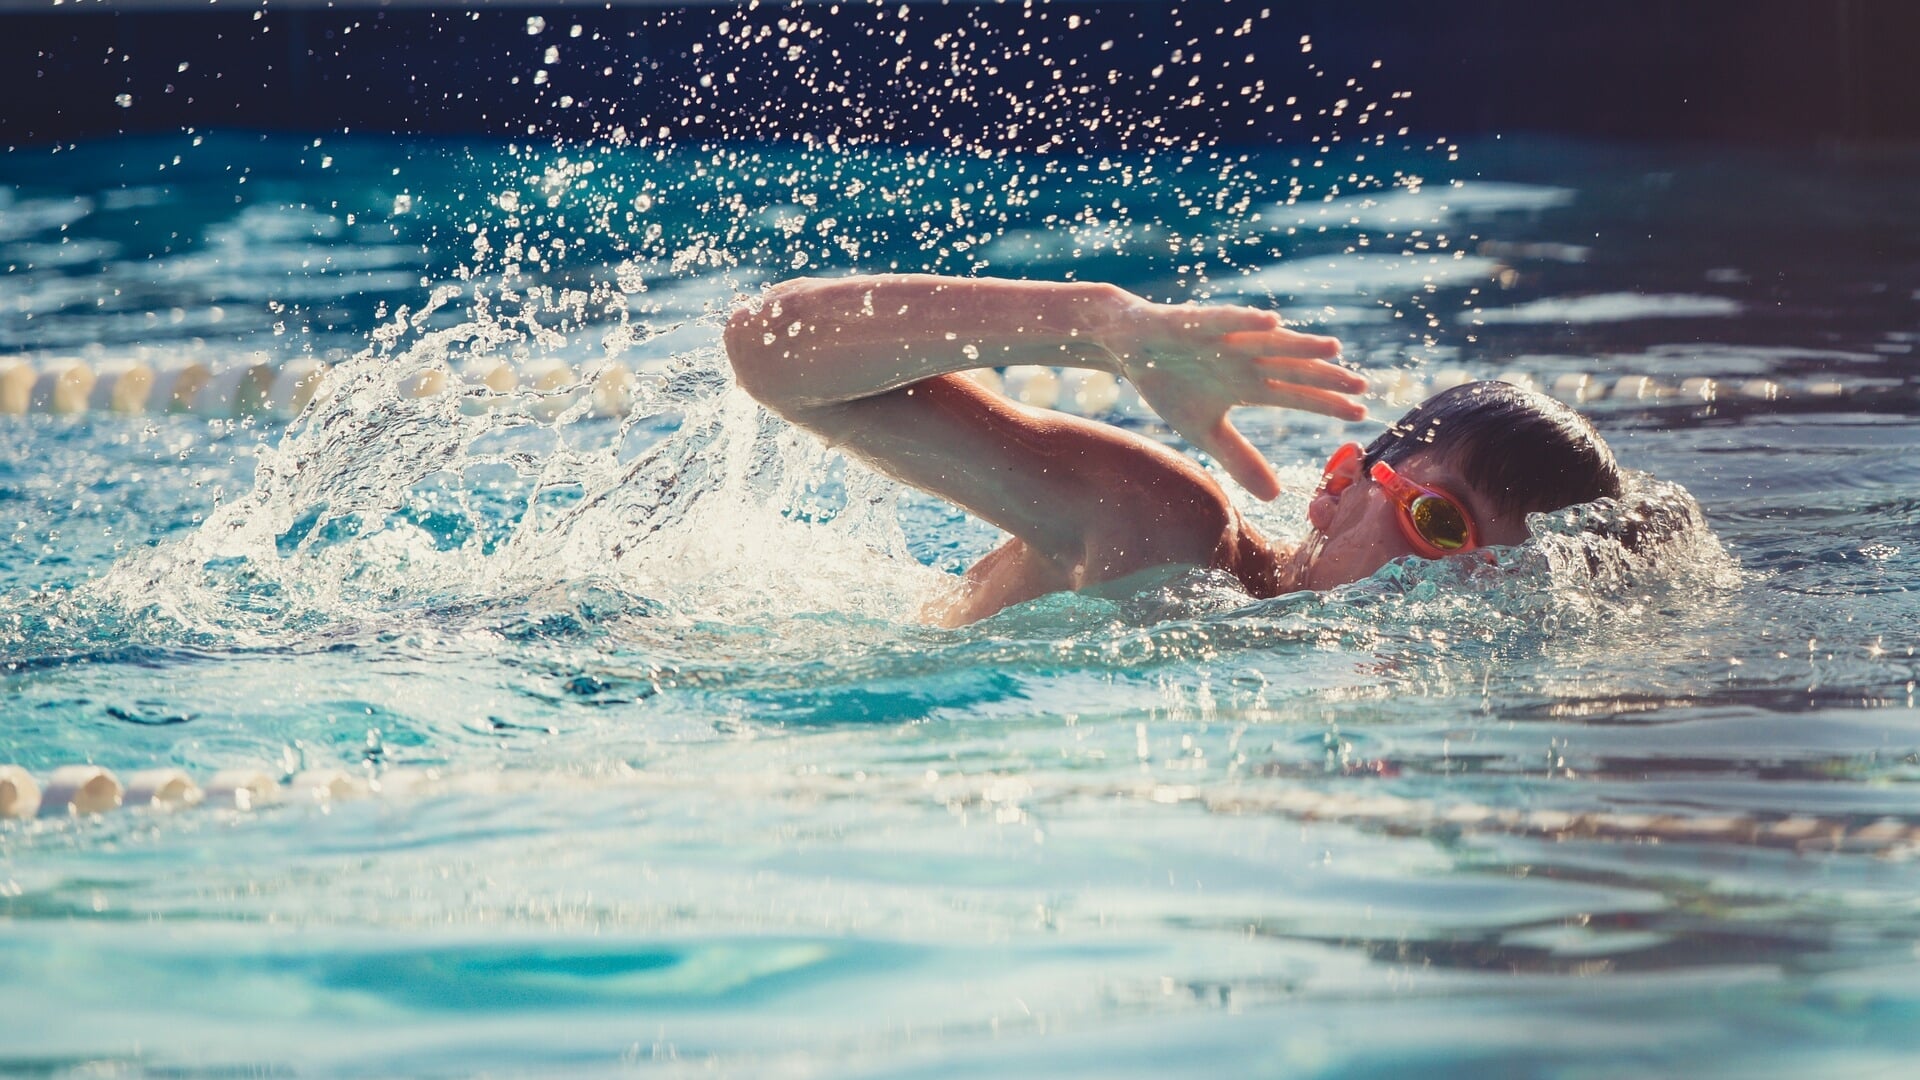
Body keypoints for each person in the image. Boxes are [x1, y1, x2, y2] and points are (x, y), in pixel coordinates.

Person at [725, 274, 1623, 625]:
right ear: (1339, 484)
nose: (1442, 593)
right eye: (1438, 522)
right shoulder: (1168, 530)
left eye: (1496, 580)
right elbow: (768, 351)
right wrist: (1099, 327)